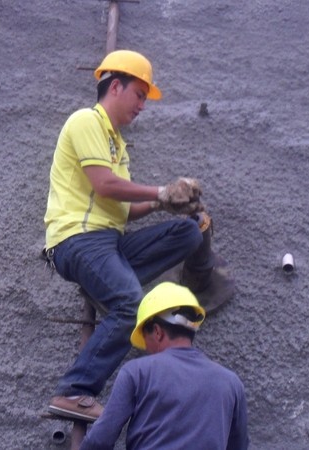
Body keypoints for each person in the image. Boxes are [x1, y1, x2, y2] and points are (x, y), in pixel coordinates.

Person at [43, 49, 211, 422]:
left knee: (188, 234)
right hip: (77, 240)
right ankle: (74, 391)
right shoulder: (86, 121)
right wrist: (161, 191)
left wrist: (164, 204)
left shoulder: (117, 146)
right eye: (139, 94)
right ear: (115, 86)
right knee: (130, 305)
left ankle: (108, 287)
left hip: (109, 243)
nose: (142, 106)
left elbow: (123, 210)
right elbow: (105, 185)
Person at [80, 282, 249, 450]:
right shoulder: (231, 382)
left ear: (157, 331)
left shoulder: (137, 372)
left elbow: (99, 441)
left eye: (145, 339)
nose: (146, 348)